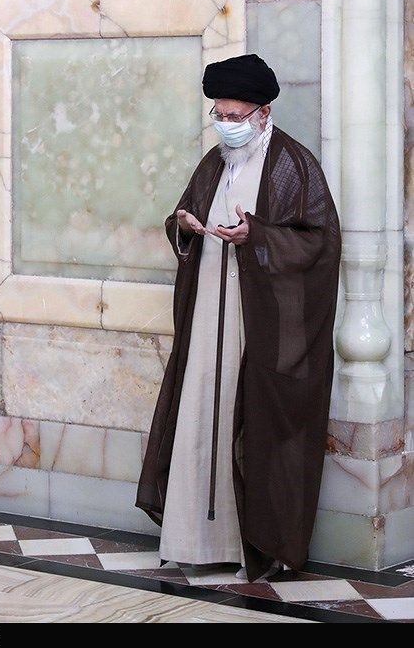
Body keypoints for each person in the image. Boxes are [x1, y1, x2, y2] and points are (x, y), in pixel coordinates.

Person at [135, 53, 341, 583]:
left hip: (260, 324)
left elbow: (319, 242)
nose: (226, 125)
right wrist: (184, 225)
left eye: (235, 116)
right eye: (219, 115)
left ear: (263, 113)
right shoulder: (214, 163)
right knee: (202, 410)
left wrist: (259, 237)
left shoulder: (294, 165)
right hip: (210, 311)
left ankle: (256, 544)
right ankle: (196, 540)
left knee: (252, 419)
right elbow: (183, 216)